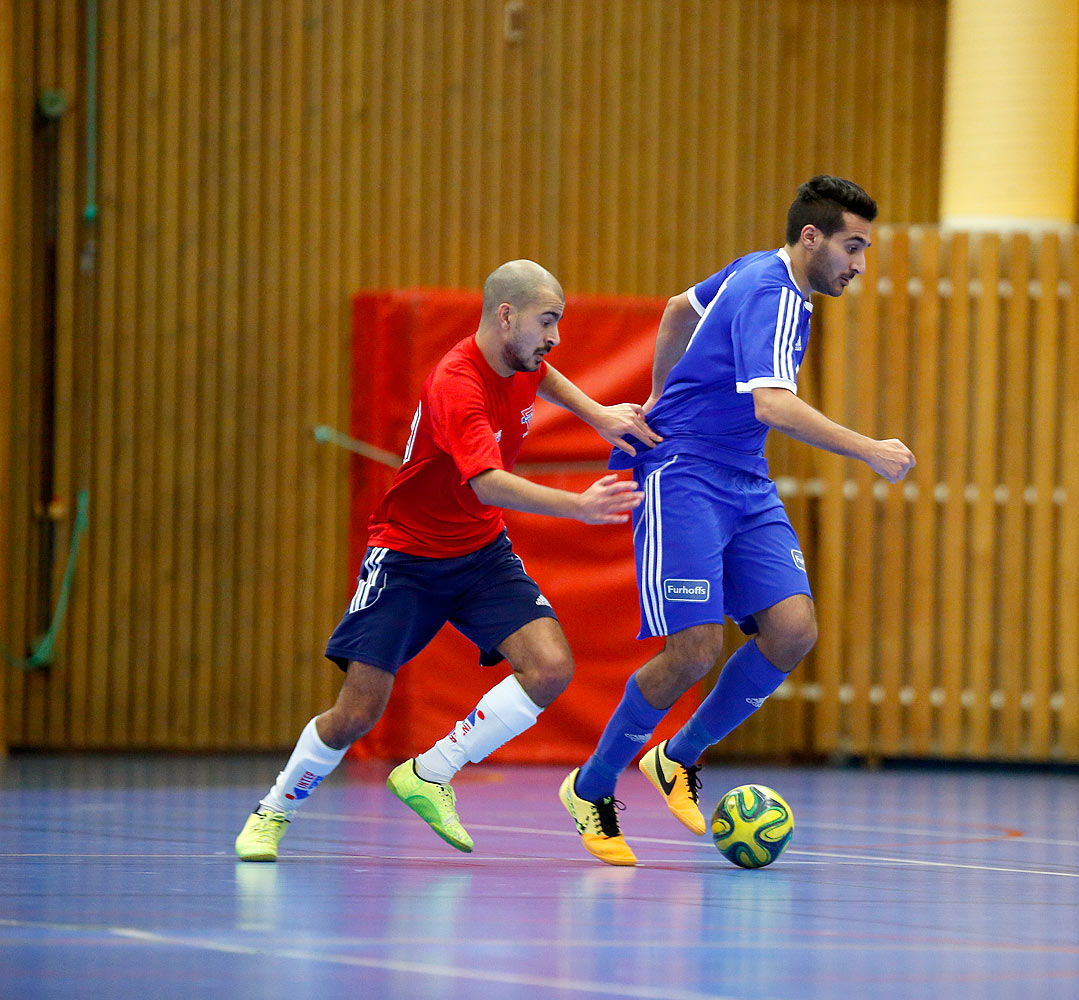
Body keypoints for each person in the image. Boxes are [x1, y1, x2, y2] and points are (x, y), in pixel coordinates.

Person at [234, 259, 661, 861]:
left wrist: (597, 414)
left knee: (549, 667)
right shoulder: (457, 383)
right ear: (504, 315)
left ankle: (430, 772)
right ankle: (272, 811)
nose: (554, 337)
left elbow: (545, 375)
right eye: (547, 321)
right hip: (408, 556)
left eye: (557, 323)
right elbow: (486, 482)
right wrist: (579, 507)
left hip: (480, 553)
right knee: (357, 712)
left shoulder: (519, 357)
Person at [557, 175, 916, 865]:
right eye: (853, 246)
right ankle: (592, 786)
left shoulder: (758, 269)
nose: (860, 264)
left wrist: (659, 392)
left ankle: (678, 757)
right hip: (685, 474)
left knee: (792, 631)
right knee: (693, 650)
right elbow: (773, 406)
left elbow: (674, 311)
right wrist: (869, 449)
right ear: (811, 238)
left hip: (745, 478)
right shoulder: (772, 293)